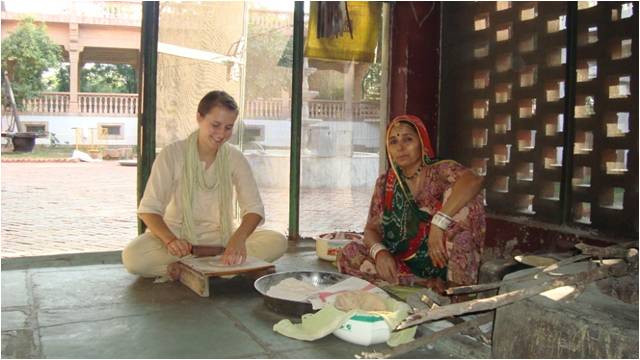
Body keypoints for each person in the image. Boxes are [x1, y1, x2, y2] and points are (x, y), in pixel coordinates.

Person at [122, 90, 287, 279]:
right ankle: (227, 268)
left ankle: (189, 269)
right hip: (179, 239)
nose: (221, 134)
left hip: (222, 238)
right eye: (215, 125)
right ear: (199, 118)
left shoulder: (234, 157)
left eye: (228, 127)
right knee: (134, 257)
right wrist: (171, 240)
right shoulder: (172, 154)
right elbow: (149, 209)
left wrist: (238, 240)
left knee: (277, 241)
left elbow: (254, 208)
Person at [337, 114, 485, 293]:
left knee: (466, 205)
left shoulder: (440, 171)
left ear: (422, 141)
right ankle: (422, 284)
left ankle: (457, 290)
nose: (400, 147)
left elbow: (474, 181)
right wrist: (380, 252)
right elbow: (370, 230)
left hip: (443, 259)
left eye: (408, 139)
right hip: (403, 264)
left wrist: (438, 223)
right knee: (349, 252)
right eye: (393, 142)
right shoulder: (385, 183)